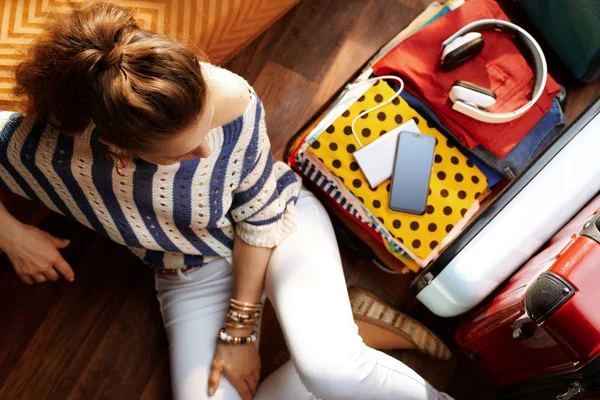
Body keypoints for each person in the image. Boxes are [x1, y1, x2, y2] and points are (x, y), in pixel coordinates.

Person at [0, 3, 453, 399]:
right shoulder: (40, 153)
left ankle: (338, 355)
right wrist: (12, 235)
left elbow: (258, 210)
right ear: (120, 150)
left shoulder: (228, 96)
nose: (205, 151)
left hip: (276, 225)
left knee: (334, 374)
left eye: (205, 125)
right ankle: (353, 338)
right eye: (180, 152)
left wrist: (240, 331)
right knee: (324, 372)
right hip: (186, 271)